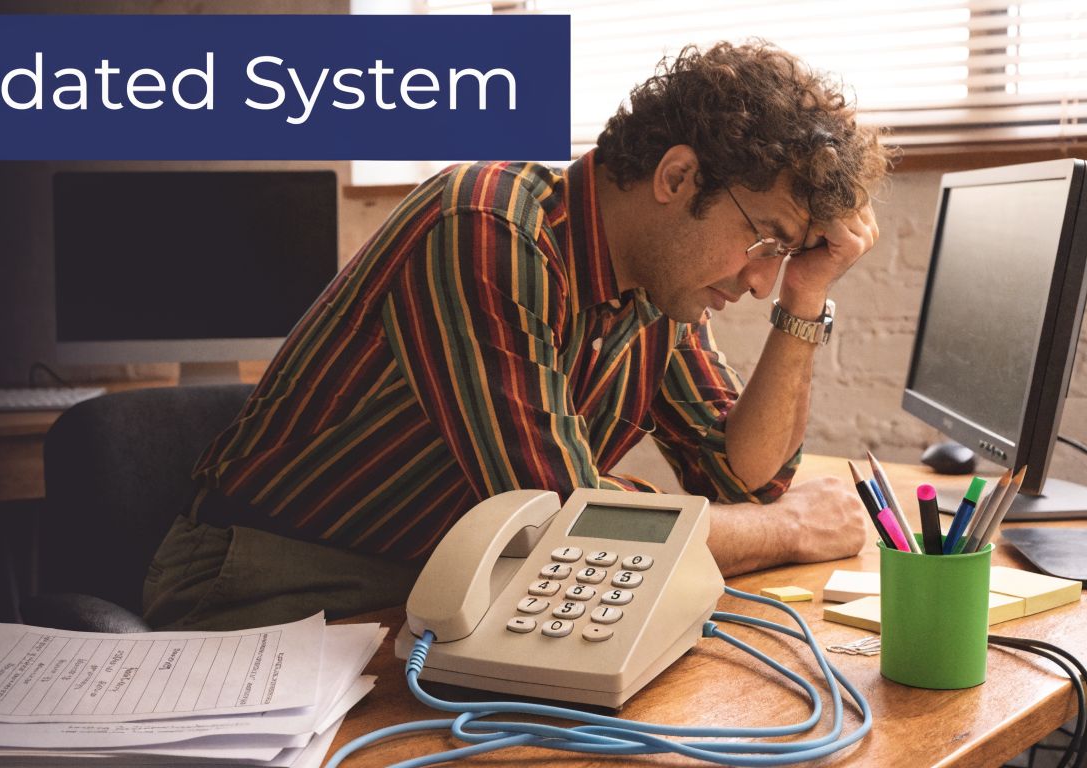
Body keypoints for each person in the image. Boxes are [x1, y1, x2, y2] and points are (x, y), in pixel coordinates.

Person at [142, 40, 894, 631]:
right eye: (766, 242)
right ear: (676, 179)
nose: (761, 280)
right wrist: (784, 532)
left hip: (439, 586)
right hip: (265, 588)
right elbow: (564, 522)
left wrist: (808, 291)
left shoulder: (661, 293)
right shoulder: (489, 230)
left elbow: (745, 480)